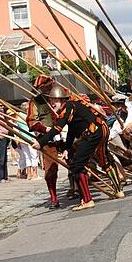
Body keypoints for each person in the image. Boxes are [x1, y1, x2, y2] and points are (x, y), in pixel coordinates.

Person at [31, 84, 110, 211]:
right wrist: (67, 148)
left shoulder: (67, 107)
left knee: (82, 163)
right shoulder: (42, 104)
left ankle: (88, 199)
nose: (52, 104)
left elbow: (57, 128)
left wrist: (40, 142)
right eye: (51, 101)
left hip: (93, 133)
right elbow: (72, 130)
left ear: (62, 100)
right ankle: (84, 198)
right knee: (76, 165)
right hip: (88, 134)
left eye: (55, 101)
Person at [26, 75, 70, 209]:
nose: (45, 90)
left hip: (66, 134)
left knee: (74, 161)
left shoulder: (61, 94)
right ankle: (54, 197)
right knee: (51, 169)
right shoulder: (36, 102)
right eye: (42, 88)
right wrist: (46, 129)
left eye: (47, 87)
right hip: (48, 139)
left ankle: (76, 187)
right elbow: (31, 121)